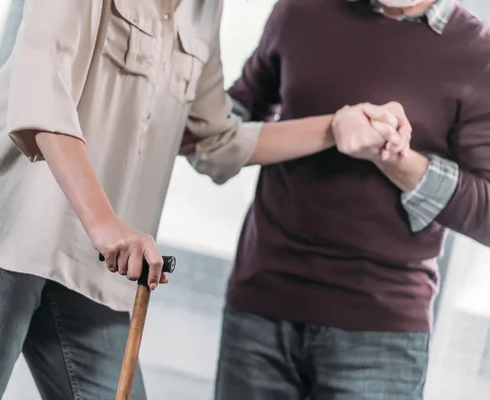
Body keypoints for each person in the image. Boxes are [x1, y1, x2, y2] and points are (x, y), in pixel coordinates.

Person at [0, 0, 408, 399]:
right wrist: (106, 224)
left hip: (92, 264)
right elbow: (43, 93)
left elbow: (216, 140)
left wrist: (335, 128)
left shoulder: (204, 10)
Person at [192, 0, 490, 399]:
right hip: (259, 309)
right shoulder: (299, 10)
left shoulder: (476, 53)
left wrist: (393, 156)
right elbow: (223, 130)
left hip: (381, 335)